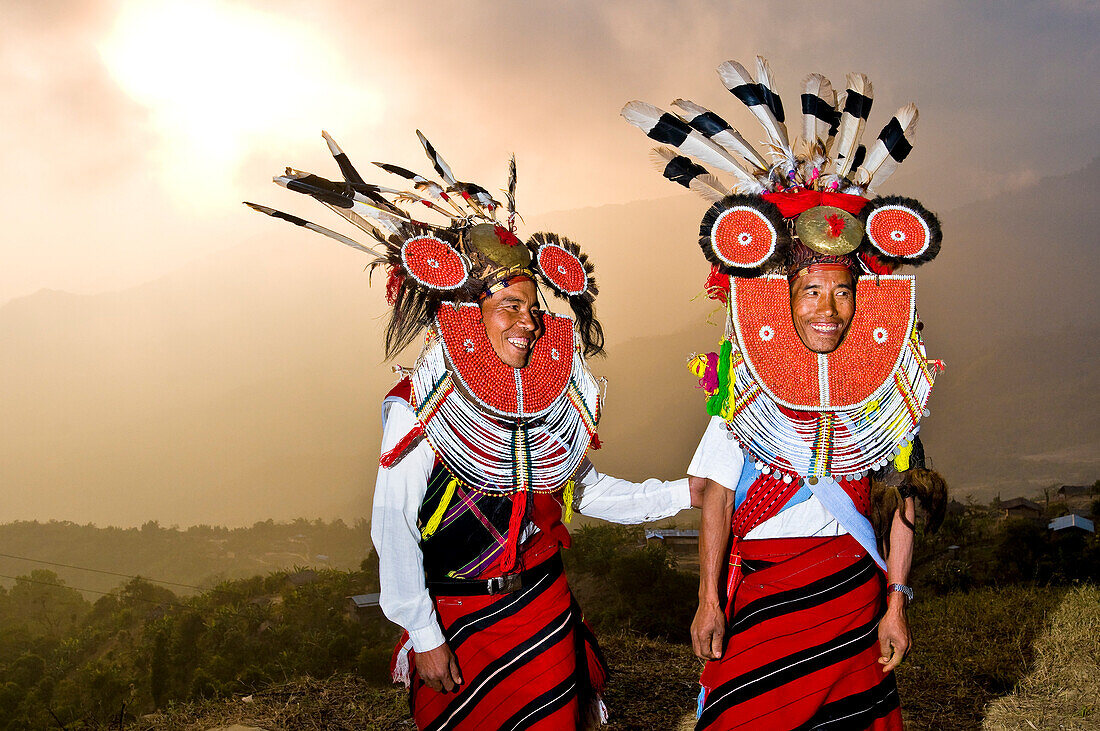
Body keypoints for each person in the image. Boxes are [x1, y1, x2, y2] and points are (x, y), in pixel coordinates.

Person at [248, 132, 697, 729]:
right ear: (467, 312)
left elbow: (581, 491)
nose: (528, 322)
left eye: (532, 307)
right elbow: (395, 526)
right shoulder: (418, 409)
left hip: (543, 608)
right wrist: (424, 633)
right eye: (508, 306)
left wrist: (684, 493)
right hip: (459, 620)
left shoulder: (551, 407)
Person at [623, 57, 947, 729]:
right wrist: (710, 598)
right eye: (810, 290)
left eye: (842, 290)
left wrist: (895, 602)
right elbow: (716, 494)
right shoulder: (746, 381)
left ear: (862, 296)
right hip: (765, 594)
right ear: (784, 295)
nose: (827, 307)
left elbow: (908, 497)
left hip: (854, 598)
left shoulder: (884, 389)